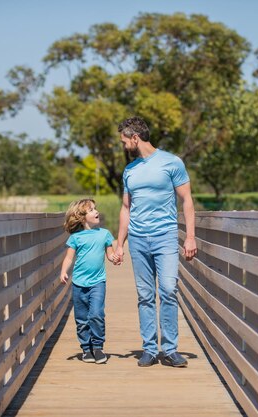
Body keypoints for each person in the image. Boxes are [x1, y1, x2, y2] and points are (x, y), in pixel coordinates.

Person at [114, 116, 197, 368]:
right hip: (138, 240)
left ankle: (170, 350)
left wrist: (191, 237)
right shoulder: (130, 170)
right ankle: (149, 349)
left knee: (169, 290)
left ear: (135, 138)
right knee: (145, 295)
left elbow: (187, 201)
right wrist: (120, 244)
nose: (123, 145)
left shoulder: (172, 162)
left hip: (165, 237)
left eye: (124, 140)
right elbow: (126, 208)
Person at [60, 198, 117, 364]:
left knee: (96, 314)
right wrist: (64, 271)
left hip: (98, 282)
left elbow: (110, 253)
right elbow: (69, 258)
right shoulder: (76, 238)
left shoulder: (104, 234)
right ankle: (86, 349)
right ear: (82, 217)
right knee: (82, 318)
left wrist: (115, 258)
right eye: (91, 210)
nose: (96, 211)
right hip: (78, 283)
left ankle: (98, 347)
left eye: (95, 208)